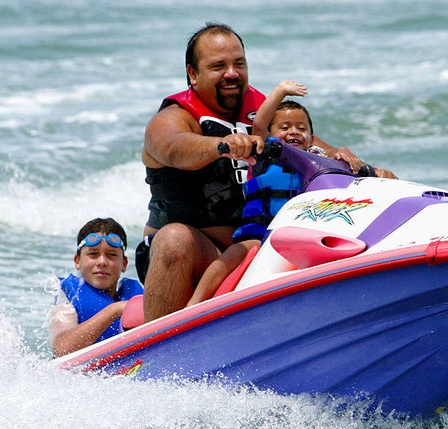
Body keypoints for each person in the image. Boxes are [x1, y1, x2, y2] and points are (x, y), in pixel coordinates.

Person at [138, 22, 394, 322]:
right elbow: (173, 148)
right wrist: (222, 146)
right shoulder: (172, 119)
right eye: (218, 66)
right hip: (191, 254)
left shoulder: (267, 117)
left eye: (239, 64)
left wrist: (367, 170)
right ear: (193, 74)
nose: (232, 73)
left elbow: (318, 156)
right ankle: (159, 348)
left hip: (259, 245)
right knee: (175, 238)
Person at [187, 80, 395, 307]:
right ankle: (194, 304)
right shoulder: (263, 156)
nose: (293, 132)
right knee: (236, 253)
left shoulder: (319, 165)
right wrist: (280, 92)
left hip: (300, 237)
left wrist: (373, 171)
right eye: (284, 128)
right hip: (260, 235)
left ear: (312, 138)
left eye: (301, 128)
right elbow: (259, 124)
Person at [47, 217, 143, 357]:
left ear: (124, 263)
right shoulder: (66, 306)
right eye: (93, 254)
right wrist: (114, 310)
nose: (102, 262)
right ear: (77, 261)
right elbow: (62, 349)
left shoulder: (135, 296)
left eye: (111, 255)